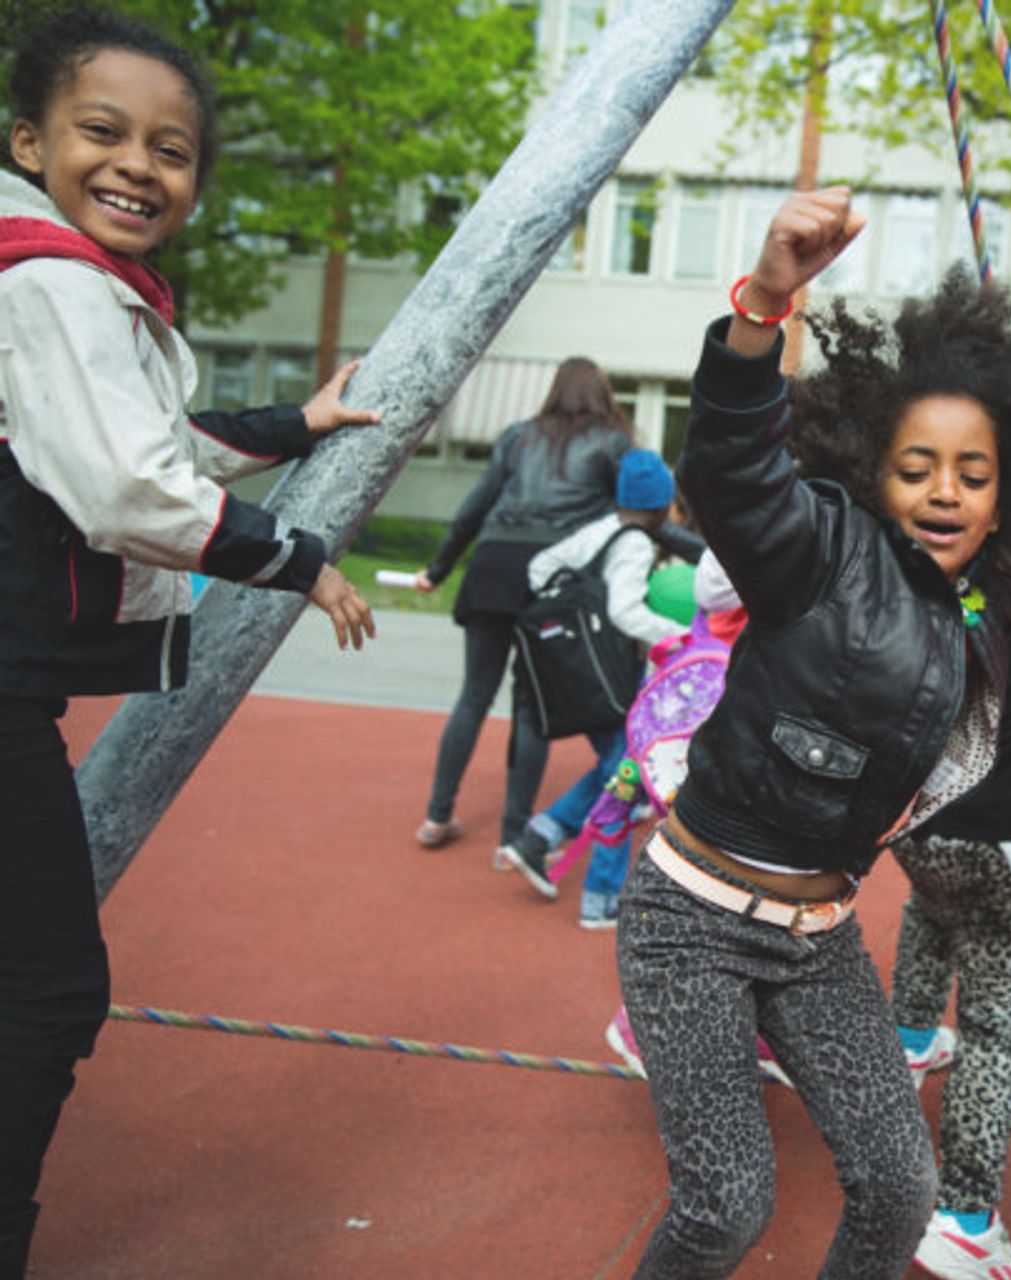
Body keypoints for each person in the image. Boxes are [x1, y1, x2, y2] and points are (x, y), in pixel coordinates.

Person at [614, 188, 1011, 1279]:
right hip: (692, 918)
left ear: (1004, 494)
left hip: (819, 935)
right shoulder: (817, 552)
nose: (946, 491)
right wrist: (766, 302)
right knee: (727, 1206)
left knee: (901, 1191)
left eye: (974, 474)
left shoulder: (994, 603)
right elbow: (735, 469)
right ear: (874, 472)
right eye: (918, 467)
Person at [0, 10, 380, 1275]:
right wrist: (298, 558)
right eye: (102, 132)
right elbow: (126, 488)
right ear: (29, 141)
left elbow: (153, 443)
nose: (138, 165)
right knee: (50, 992)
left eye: (172, 150)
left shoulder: (78, 292)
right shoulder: (50, 284)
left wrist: (299, 418)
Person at [790, 334, 1011, 1279]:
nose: (948, 492)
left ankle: (906, 1037)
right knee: (996, 1025)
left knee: (931, 912)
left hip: (919, 824)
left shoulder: (890, 578)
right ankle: (966, 1214)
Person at [411, 357, 633, 852]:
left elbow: (475, 505)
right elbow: (632, 512)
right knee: (533, 705)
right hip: (550, 576)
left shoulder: (517, 436)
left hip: (492, 566)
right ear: (602, 394)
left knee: (473, 695)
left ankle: (436, 815)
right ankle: (514, 836)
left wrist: (438, 568)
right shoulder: (613, 441)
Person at [496, 447, 688, 927]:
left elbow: (541, 568)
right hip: (610, 683)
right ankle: (599, 897)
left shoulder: (601, 529)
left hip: (577, 679)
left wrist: (576, 609)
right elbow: (624, 610)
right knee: (623, 781)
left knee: (617, 770)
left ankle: (539, 836)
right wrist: (680, 638)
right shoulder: (636, 543)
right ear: (662, 504)